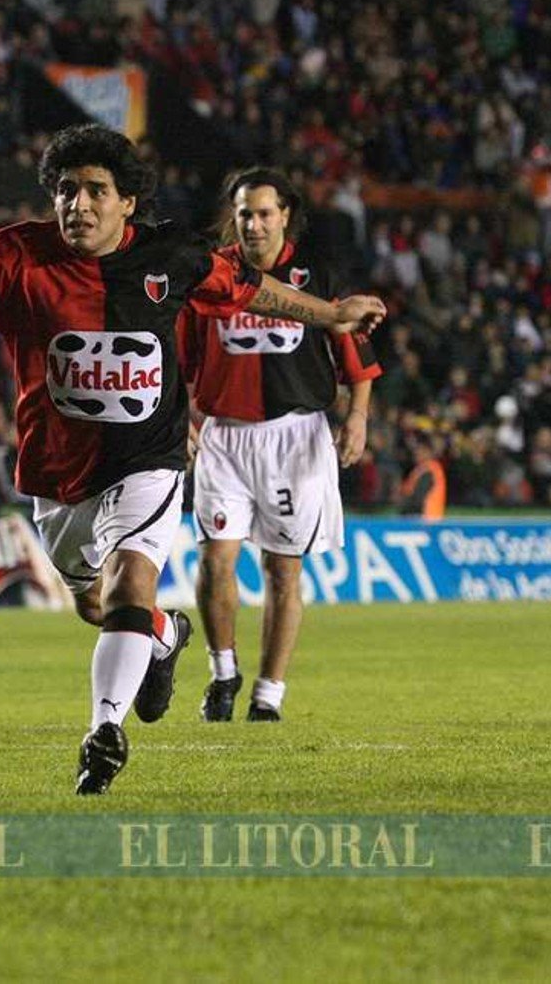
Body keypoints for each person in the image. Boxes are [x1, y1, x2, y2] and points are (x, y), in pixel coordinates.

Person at [0, 124, 385, 795]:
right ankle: (163, 636)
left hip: (147, 459)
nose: (79, 204)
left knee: (131, 583)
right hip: (55, 470)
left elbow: (253, 291)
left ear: (127, 203)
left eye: (96, 191)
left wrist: (330, 315)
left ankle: (104, 731)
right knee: (97, 606)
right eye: (67, 191)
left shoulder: (173, 254)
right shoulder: (14, 255)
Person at [179, 167, 382, 724]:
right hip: (225, 435)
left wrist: (358, 417)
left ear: (285, 216)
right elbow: (182, 360)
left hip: (296, 437)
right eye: (245, 213)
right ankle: (223, 673)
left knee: (282, 571)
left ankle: (269, 695)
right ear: (234, 218)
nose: (255, 224)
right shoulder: (212, 278)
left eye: (265, 213)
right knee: (216, 559)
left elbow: (355, 354)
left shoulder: (317, 276)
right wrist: (183, 414)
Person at [399, 436, 448, 519]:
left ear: (428, 452)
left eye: (420, 450)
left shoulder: (429, 472)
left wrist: (404, 512)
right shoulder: (423, 470)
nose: (416, 453)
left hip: (424, 519)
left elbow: (418, 500)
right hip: (426, 518)